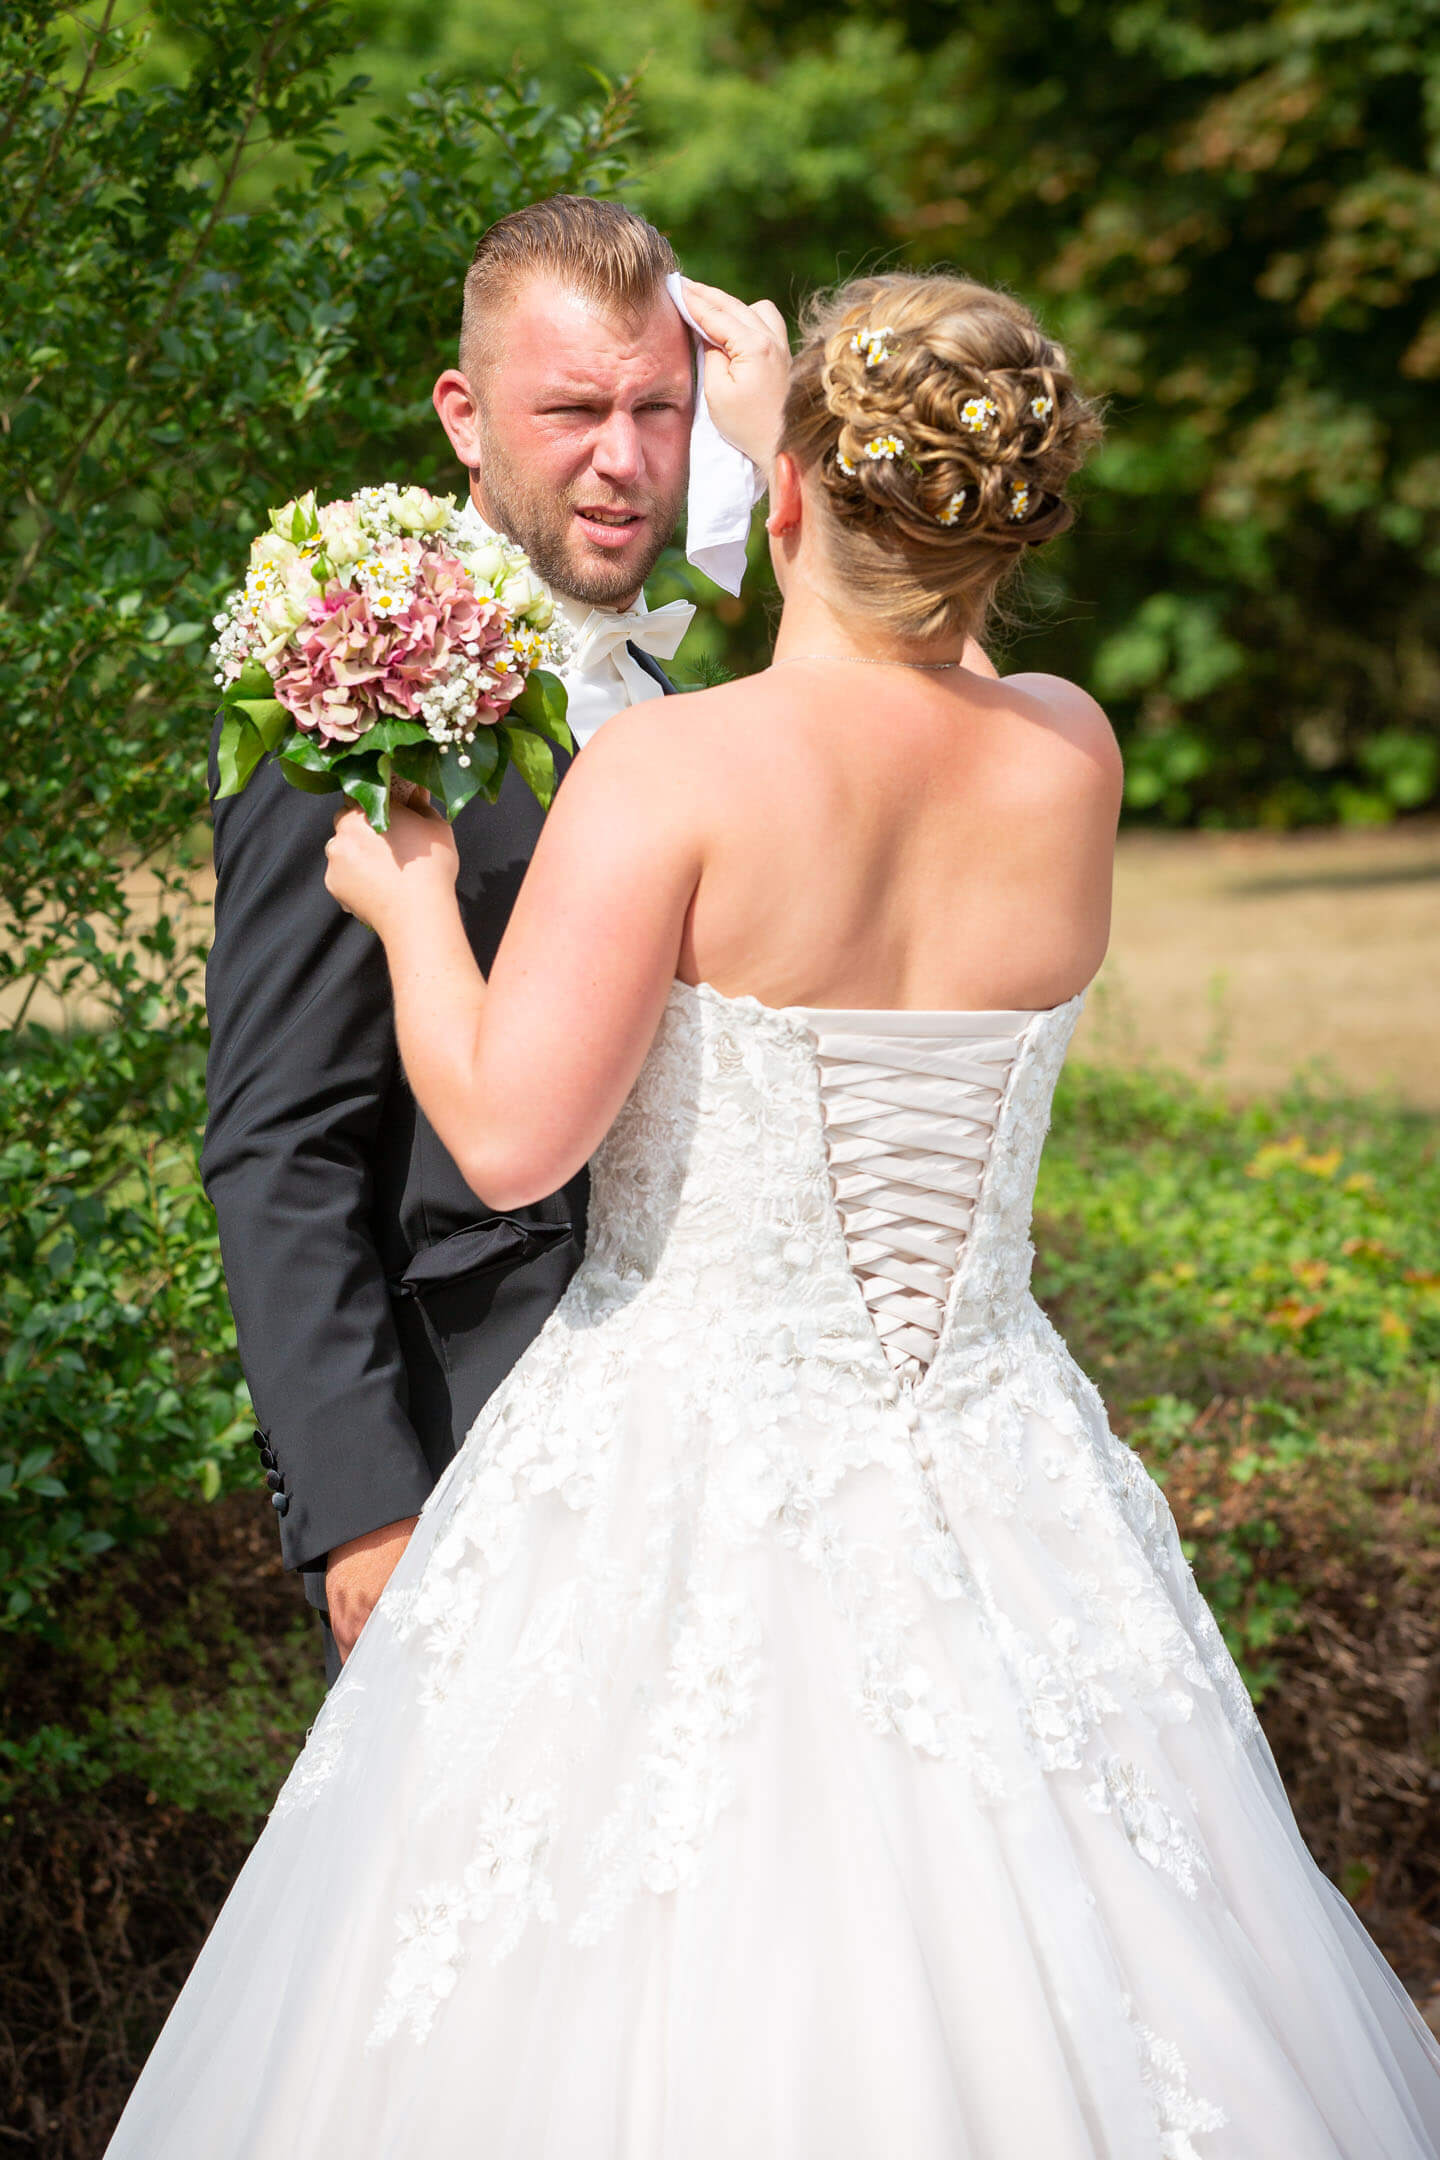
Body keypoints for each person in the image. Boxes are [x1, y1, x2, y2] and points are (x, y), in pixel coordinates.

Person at [109, 270, 1440, 2156]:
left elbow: (504, 1143)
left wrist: (415, 916)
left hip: (683, 1462)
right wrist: (800, 460)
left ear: (795, 495)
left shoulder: (673, 771)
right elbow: (939, 677)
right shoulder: (1068, 755)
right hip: (1002, 1464)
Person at [201, 194, 786, 1681]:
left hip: (713, 1459)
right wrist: (361, 1516)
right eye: (575, 408)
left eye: (662, 410)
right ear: (465, 418)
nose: (626, 459)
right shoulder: (349, 687)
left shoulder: (668, 679)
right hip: (465, 1450)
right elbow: (281, 1141)